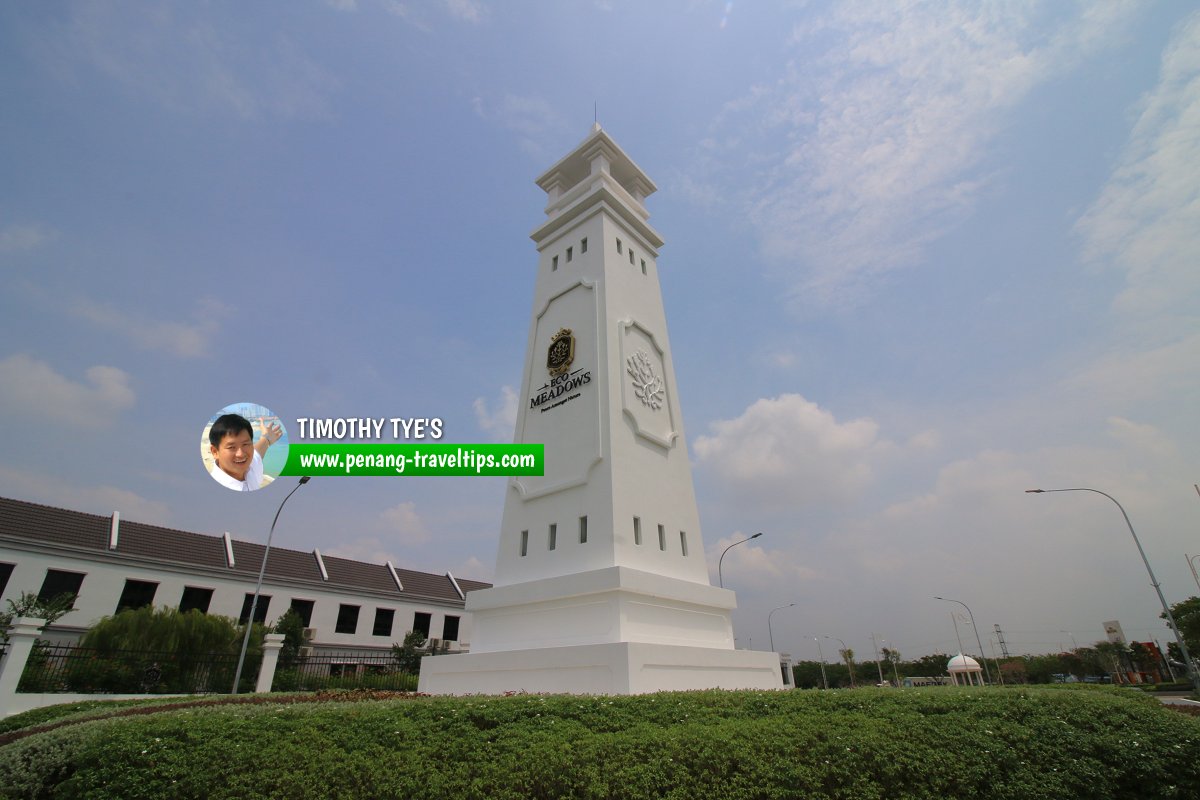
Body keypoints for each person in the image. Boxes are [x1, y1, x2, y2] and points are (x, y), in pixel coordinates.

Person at [208, 413, 282, 492]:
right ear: (215, 452)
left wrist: (266, 438)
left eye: (245, 444)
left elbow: (258, 452)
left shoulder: (250, 468)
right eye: (231, 447)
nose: (241, 454)